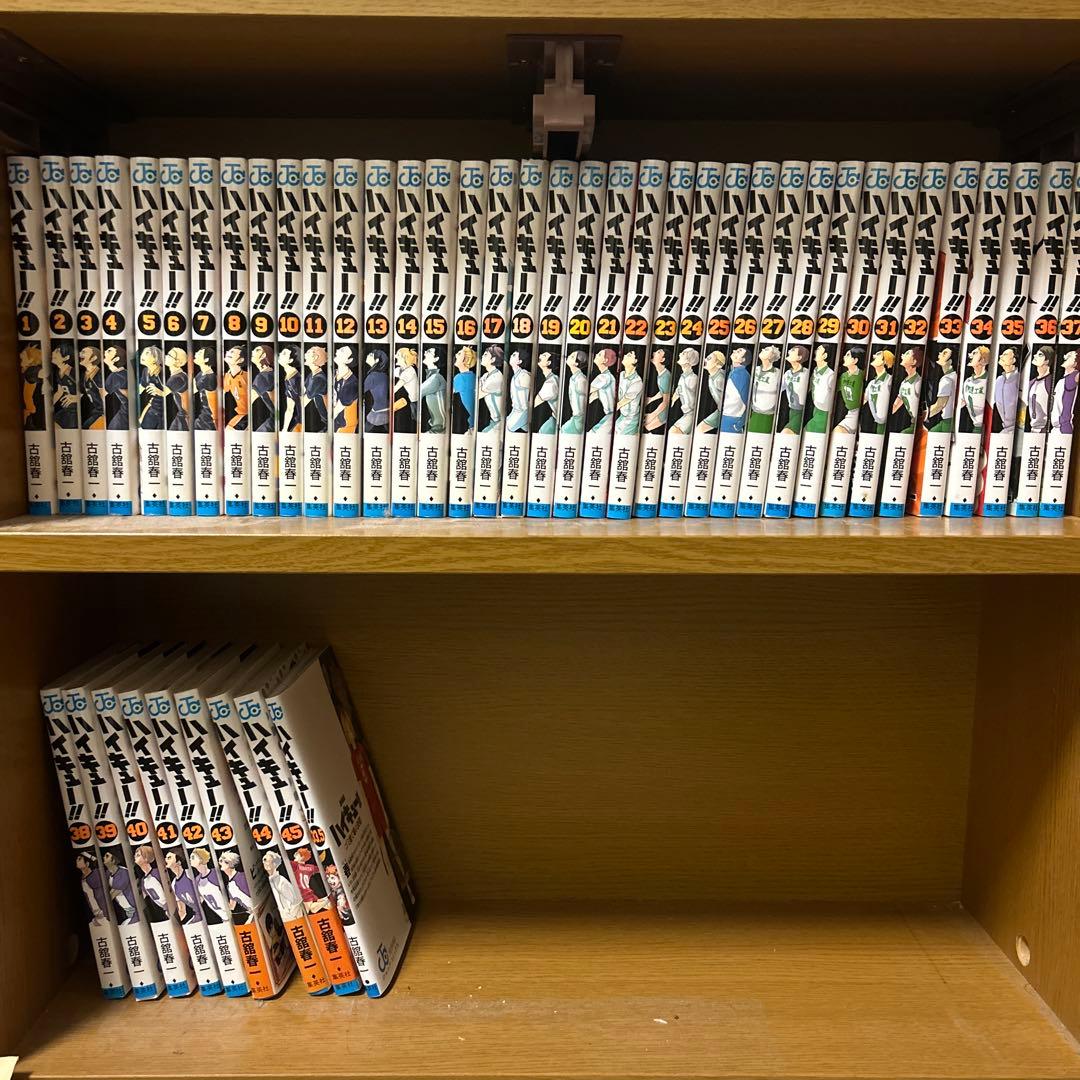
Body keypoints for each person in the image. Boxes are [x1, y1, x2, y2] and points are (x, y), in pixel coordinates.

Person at [747, 346, 781, 433]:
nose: (762, 349)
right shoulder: (755, 369)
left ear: (771, 355)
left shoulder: (777, 373)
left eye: (766, 350)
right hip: (753, 410)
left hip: (767, 413)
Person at [262, 851, 304, 921]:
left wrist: (288, 916)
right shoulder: (270, 881)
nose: (266, 863)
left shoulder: (281, 881)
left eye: (269, 861)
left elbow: (294, 902)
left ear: (274, 864)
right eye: (264, 860)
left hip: (292, 919)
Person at [860, 350, 894, 435]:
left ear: (884, 362)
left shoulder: (889, 380)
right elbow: (864, 399)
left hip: (887, 422)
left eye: (878, 355)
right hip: (876, 421)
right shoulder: (872, 383)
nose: (874, 356)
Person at [190, 847, 226, 925]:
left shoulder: (215, 873)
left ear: (201, 859)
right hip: (220, 917)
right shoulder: (197, 880)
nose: (190, 860)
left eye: (193, 857)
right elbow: (200, 899)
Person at [923, 348, 956, 433]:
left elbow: (939, 405)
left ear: (950, 361)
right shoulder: (954, 376)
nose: (940, 353)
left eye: (944, 353)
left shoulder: (946, 380)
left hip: (947, 423)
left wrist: (922, 416)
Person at [889, 348, 921, 435]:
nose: (902, 355)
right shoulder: (904, 383)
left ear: (914, 362)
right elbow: (896, 405)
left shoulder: (918, 382)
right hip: (913, 423)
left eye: (907, 354)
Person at [779, 346, 810, 434]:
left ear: (799, 357)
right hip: (791, 411)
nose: (789, 351)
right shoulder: (787, 373)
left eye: (793, 350)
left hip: (802, 412)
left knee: (786, 433)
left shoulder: (806, 373)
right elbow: (779, 389)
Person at [103, 849, 138, 925]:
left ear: (113, 860)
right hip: (127, 911)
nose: (104, 857)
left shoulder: (124, 873)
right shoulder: (108, 873)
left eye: (107, 856)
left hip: (135, 910)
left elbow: (111, 895)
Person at [833, 348, 864, 434]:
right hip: (851, 412)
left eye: (848, 355)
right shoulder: (844, 376)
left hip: (861, 411)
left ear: (855, 360)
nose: (844, 357)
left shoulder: (861, 375)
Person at [804, 345, 834, 434]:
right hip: (815, 409)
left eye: (818, 349)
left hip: (824, 414)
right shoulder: (815, 370)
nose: (815, 351)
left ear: (825, 356)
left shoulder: (830, 375)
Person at [134, 844, 168, 922]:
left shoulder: (158, 872)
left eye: (138, 855)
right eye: (135, 855)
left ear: (146, 858)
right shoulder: (143, 880)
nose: (135, 856)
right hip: (162, 912)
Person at [669, 349, 699, 435]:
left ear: (688, 361)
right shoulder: (682, 377)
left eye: (683, 353)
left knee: (673, 433)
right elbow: (677, 392)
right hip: (685, 414)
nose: (679, 354)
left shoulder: (693, 378)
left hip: (691, 415)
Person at [720, 348, 751, 434]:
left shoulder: (742, 375)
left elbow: (747, 401)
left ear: (743, 359)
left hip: (733, 419)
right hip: (726, 416)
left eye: (739, 351)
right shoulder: (733, 371)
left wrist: (738, 425)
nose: (734, 351)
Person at [641, 348, 672, 433]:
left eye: (658, 352)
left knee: (646, 428)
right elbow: (664, 391)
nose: (654, 352)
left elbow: (666, 401)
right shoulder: (661, 374)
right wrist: (651, 399)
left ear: (662, 359)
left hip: (664, 412)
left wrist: (652, 415)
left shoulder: (665, 377)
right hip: (662, 409)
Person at [697, 350, 727, 433]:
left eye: (709, 358)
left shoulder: (720, 379)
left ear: (718, 364)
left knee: (699, 429)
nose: (705, 360)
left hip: (726, 412)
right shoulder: (712, 376)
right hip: (721, 411)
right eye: (706, 358)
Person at [588, 348, 617, 433]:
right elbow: (594, 395)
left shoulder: (604, 377)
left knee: (593, 434)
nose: (596, 355)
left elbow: (587, 390)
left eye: (599, 354)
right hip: (610, 415)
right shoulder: (607, 376)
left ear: (605, 360)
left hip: (610, 416)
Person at [219, 851, 253, 925]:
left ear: (229, 863)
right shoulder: (230, 885)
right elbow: (232, 906)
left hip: (257, 910)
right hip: (251, 913)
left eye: (222, 861)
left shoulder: (243, 877)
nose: (220, 863)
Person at [164, 850, 198, 924]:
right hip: (196, 916)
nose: (165, 860)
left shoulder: (190, 874)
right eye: (166, 858)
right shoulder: (174, 884)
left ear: (178, 862)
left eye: (169, 858)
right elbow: (182, 910)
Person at [1050, 350, 1078, 435]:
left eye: (1070, 357)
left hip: (1063, 428)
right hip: (1056, 428)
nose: (1066, 357)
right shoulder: (1062, 379)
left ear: (1075, 363)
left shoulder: (1074, 376)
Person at [419, 348, 447, 433]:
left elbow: (417, 393)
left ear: (436, 359)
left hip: (439, 429)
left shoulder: (436, 378)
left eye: (428, 352)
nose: (424, 352)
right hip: (437, 427)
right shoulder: (432, 376)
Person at [614, 351, 643, 435]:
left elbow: (623, 401)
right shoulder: (621, 374)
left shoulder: (637, 381)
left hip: (630, 419)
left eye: (629, 355)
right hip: (622, 416)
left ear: (635, 361)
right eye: (626, 354)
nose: (625, 355)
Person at [137, 346, 166, 428]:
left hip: (163, 411)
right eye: (143, 352)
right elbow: (140, 389)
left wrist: (160, 392)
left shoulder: (163, 373)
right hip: (153, 407)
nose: (142, 355)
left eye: (147, 353)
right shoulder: (145, 371)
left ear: (155, 358)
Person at [1027, 346, 1054, 433]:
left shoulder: (1050, 382)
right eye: (1036, 354)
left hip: (1044, 430)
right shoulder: (1031, 383)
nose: (1035, 356)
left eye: (1040, 355)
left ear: (1047, 361)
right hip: (1032, 430)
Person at [477, 347, 504, 433]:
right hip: (494, 421)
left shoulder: (496, 377)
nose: (482, 356)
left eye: (485, 355)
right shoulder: (486, 375)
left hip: (500, 422)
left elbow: (477, 395)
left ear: (493, 359)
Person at [76, 852, 108, 925]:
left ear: (87, 863)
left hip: (104, 913)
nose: (77, 861)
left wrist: (89, 856)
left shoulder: (96, 874)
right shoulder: (82, 879)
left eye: (79, 859)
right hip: (96, 915)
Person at [992, 347, 1019, 433]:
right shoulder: (999, 380)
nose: (1000, 356)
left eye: (1005, 354)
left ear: (1013, 360)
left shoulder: (1019, 378)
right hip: (1005, 429)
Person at [451, 346, 477, 435]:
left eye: (459, 354)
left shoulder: (460, 377)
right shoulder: (472, 376)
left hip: (470, 424)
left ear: (465, 360)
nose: (455, 355)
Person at [52, 345, 79, 429]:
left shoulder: (73, 372)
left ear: (66, 357)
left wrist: (76, 397)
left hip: (75, 411)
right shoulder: (58, 371)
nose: (53, 353)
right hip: (66, 409)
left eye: (57, 352)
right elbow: (60, 391)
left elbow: (86, 391)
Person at [333, 346, 359, 434]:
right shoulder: (333, 373)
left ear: (349, 360)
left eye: (342, 350)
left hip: (343, 428)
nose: (337, 350)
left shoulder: (352, 383)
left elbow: (336, 411)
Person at [560, 351, 588, 434]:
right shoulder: (574, 378)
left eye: (572, 356)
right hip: (576, 417)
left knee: (563, 432)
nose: (568, 356)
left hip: (579, 419)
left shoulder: (581, 379)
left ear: (576, 363)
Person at [363, 350, 390, 433]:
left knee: (366, 430)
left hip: (378, 410)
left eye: (371, 354)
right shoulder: (384, 375)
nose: (367, 355)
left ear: (377, 360)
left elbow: (359, 392)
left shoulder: (372, 376)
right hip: (385, 408)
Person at [392, 348, 419, 433]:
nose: (395, 356)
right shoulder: (402, 369)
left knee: (415, 421)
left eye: (398, 355)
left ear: (405, 358)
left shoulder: (409, 371)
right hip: (412, 400)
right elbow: (393, 372)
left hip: (416, 402)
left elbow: (396, 387)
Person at [250, 345, 276, 433]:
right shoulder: (270, 373)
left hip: (275, 421)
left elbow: (248, 402)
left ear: (263, 355)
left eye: (257, 350)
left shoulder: (264, 376)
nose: (252, 351)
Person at [303, 345, 329, 432]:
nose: (305, 354)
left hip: (329, 423)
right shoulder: (312, 375)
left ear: (315, 357)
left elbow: (303, 402)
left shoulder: (318, 379)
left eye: (308, 353)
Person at [532, 352, 559, 434]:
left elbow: (535, 402)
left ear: (548, 363)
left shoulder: (550, 383)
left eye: (543, 356)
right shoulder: (552, 378)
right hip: (554, 417)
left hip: (556, 420)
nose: (539, 355)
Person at [192, 347, 218, 431]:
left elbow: (213, 404)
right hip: (203, 413)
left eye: (199, 353)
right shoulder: (201, 374)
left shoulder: (210, 378)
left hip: (209, 417)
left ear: (206, 359)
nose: (196, 353)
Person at [79, 346, 105, 430]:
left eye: (84, 352)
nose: (80, 354)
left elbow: (105, 395)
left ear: (93, 358)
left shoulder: (99, 375)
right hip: (94, 411)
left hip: (101, 413)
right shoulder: (84, 374)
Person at [223, 346, 249, 429]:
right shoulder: (227, 376)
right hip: (241, 414)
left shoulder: (246, 376)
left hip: (249, 415)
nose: (228, 352)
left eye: (233, 352)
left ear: (241, 360)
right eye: (229, 351)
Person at [277, 347, 302, 434]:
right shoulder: (288, 377)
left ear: (290, 360)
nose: (279, 354)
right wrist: (284, 429)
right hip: (299, 421)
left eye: (284, 354)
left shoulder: (297, 379)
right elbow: (289, 409)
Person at [164, 347, 189, 431]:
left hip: (185, 416)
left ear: (178, 362)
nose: (166, 356)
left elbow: (163, 393)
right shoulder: (181, 374)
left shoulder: (177, 378)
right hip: (182, 414)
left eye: (170, 355)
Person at [506, 351, 531, 433]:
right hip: (516, 411)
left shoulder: (524, 375)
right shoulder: (515, 375)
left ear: (519, 361)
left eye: (514, 355)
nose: (511, 356)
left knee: (504, 430)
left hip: (522, 411)